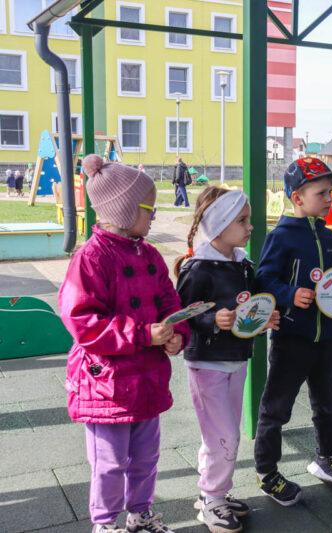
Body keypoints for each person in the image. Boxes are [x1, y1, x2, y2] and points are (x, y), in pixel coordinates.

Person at [58, 154, 188, 533]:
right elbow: (82, 321)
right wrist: (142, 334)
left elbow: (168, 300)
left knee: (146, 456)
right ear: (124, 209)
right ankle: (104, 523)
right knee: (109, 461)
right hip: (107, 383)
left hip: (146, 376)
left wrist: (177, 334)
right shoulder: (91, 257)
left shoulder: (147, 253)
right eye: (149, 208)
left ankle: (140, 513)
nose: (154, 216)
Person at [253, 157, 332, 504]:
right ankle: (267, 470)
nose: (328, 199)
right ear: (298, 197)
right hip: (292, 339)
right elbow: (264, 279)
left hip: (327, 339)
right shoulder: (281, 237)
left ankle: (326, 457)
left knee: (328, 404)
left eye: (330, 192)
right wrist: (289, 294)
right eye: (321, 193)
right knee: (276, 408)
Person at [175, 186, 279, 533]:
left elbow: (250, 309)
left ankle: (214, 492)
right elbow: (183, 314)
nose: (250, 227)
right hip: (207, 363)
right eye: (242, 220)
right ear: (218, 226)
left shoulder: (242, 262)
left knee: (223, 434)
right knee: (225, 436)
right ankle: (212, 497)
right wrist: (211, 320)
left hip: (235, 360)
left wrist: (265, 318)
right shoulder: (200, 267)